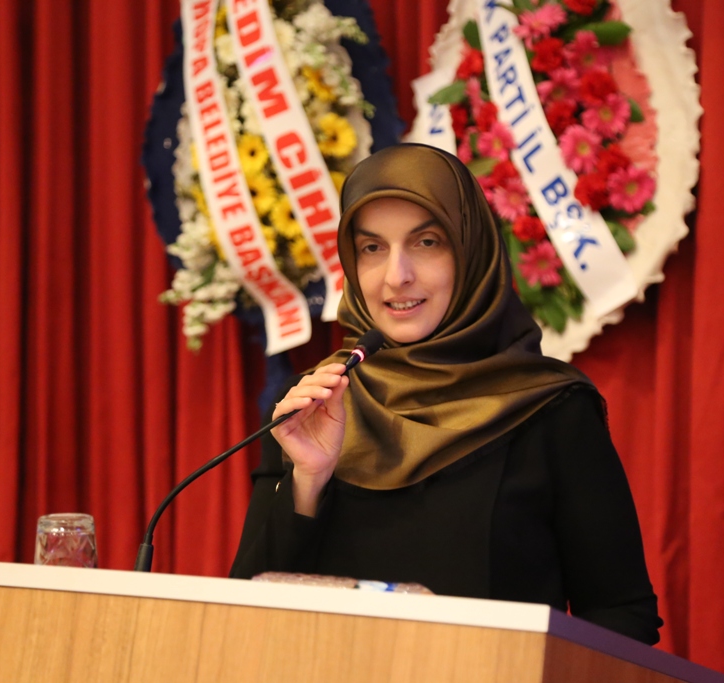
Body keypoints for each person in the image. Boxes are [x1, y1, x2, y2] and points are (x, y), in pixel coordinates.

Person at [230, 143, 662, 645]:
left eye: (427, 242)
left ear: (471, 251)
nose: (397, 276)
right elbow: (244, 613)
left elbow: (621, 613)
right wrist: (307, 481)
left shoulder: (551, 409)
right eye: (372, 248)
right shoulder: (313, 403)